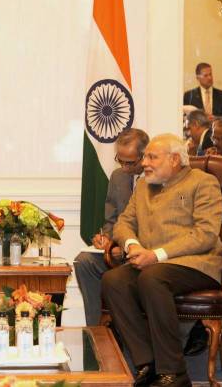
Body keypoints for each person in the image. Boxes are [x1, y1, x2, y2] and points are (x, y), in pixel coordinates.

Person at [102, 134, 222, 387]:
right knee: (113, 280)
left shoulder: (203, 183)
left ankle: (175, 373)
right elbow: (124, 223)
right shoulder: (144, 186)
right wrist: (132, 245)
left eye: (152, 157)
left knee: (152, 278)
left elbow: (206, 234)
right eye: (145, 156)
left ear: (175, 159)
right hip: (151, 263)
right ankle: (147, 364)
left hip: (195, 263)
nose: (144, 162)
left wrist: (156, 255)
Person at [74, 128, 149, 326]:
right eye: (120, 159)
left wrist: (123, 247)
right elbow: (111, 220)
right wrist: (106, 239)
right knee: (84, 262)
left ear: (144, 156)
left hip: (145, 252)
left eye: (130, 162)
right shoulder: (118, 177)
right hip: (118, 250)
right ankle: (96, 330)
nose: (124, 167)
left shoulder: (158, 179)